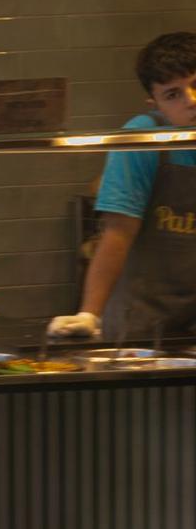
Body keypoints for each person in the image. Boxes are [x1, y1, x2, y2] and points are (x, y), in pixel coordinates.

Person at [51, 31, 196, 341]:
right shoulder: (142, 140)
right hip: (141, 326)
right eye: (174, 94)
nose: (191, 101)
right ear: (154, 103)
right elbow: (118, 232)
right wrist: (89, 314)